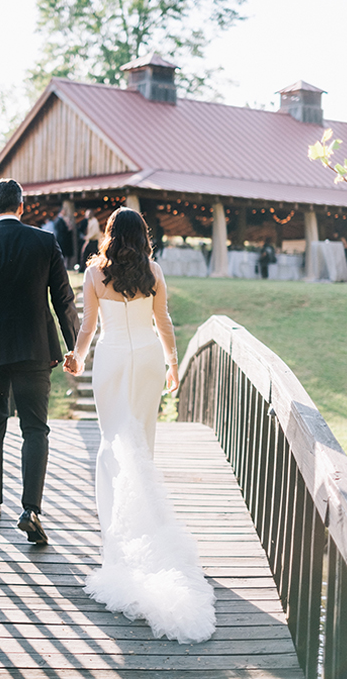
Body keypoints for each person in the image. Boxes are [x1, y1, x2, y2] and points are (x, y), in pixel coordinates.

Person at [64, 207, 215, 643]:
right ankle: (147, 528)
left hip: (112, 360)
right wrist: (172, 363)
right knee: (142, 444)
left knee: (112, 443)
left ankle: (116, 536)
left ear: (109, 234)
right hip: (148, 356)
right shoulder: (152, 270)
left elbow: (89, 326)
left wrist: (78, 355)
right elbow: (162, 321)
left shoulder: (96, 273)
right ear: (143, 235)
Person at [0, 178, 80, 545]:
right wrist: (73, 347)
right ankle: (31, 510)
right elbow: (63, 299)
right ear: (22, 207)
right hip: (35, 349)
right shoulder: (44, 242)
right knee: (34, 428)